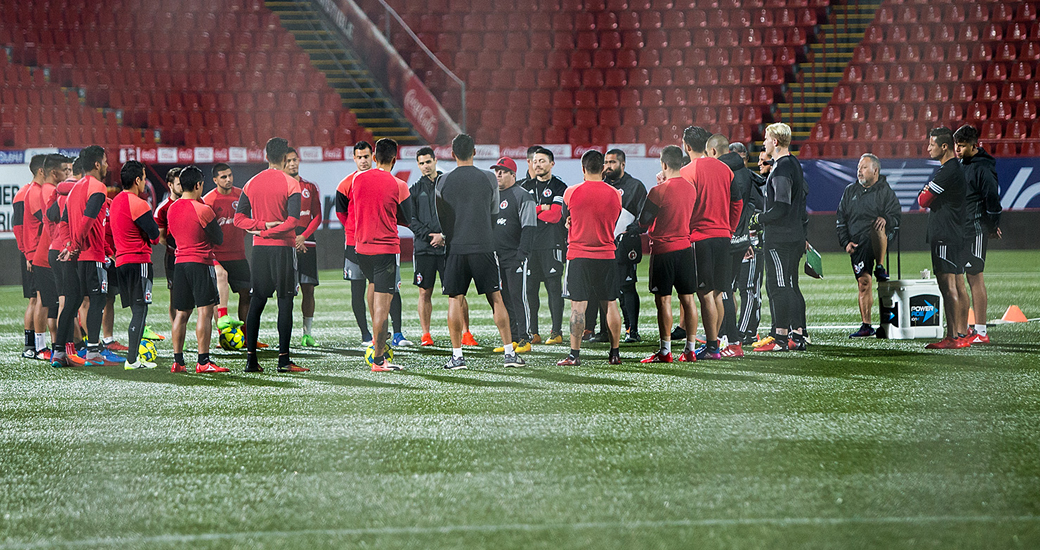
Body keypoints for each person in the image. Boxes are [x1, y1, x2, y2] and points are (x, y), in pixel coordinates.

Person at [436, 134, 525, 370]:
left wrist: (451, 236)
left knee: (455, 298)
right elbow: (494, 212)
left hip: (456, 247)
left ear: (452, 154)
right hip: (484, 245)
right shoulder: (488, 177)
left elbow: (442, 218)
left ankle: (457, 357)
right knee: (496, 297)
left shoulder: (443, 181)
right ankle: (509, 354)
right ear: (474, 152)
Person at [235, 137, 308, 372]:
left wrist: (262, 227)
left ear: (266, 156)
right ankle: (283, 360)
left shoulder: (251, 183)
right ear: (285, 158)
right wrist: (271, 229)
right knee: (285, 302)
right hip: (283, 249)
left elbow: (238, 219)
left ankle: (251, 360)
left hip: (259, 249)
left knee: (257, 301)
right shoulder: (291, 183)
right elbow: (293, 221)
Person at [336, 141, 409, 347]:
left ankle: (391, 334)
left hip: (364, 246)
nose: (363, 160)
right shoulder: (349, 183)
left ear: (373, 157)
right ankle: (370, 337)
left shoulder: (358, 182)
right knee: (369, 289)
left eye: (366, 156)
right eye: (359, 157)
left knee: (377, 287)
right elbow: (342, 213)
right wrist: (356, 228)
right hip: (369, 244)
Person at [57, 145, 123, 366]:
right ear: (96, 164)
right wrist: (76, 244)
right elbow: (88, 219)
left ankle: (58, 353)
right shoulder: (98, 187)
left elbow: (63, 222)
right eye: (104, 161)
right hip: (91, 256)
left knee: (71, 303)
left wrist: (69, 245)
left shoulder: (74, 189)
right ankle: (94, 353)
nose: (107, 165)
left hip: (74, 257)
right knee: (97, 301)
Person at [556, 150, 624, 366]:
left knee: (578, 307)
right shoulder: (615, 194)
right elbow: (614, 220)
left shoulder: (571, 192)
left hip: (579, 255)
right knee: (611, 304)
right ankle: (615, 353)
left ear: (583, 168)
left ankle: (574, 355)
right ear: (603, 168)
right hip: (606, 254)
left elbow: (567, 218)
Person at [350, 138, 412, 371]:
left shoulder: (357, 180)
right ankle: (378, 359)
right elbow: (408, 218)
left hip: (361, 250)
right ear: (394, 159)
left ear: (374, 157)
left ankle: (376, 342)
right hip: (385, 250)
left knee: (373, 289)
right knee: (382, 309)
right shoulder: (399, 184)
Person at [681, 127, 740, 360]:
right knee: (717, 293)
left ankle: (713, 346)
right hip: (723, 237)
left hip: (700, 238)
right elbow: (737, 202)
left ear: (687, 146)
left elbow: (684, 206)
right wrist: (730, 228)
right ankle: (715, 343)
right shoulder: (726, 169)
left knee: (704, 294)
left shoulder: (687, 171)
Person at [409, 146, 477, 347]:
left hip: (449, 247)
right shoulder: (414, 190)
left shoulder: (448, 185)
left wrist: (444, 236)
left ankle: (466, 333)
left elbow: (460, 213)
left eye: (428, 162)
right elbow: (411, 220)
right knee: (424, 292)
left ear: (435, 160)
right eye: (421, 163)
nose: (425, 166)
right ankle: (426, 334)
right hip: (424, 248)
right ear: (418, 165)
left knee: (457, 292)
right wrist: (430, 236)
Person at [638, 145, 700, 363]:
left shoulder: (658, 191)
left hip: (663, 250)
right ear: (681, 163)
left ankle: (665, 351)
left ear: (663, 164)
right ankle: (690, 350)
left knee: (663, 301)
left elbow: (643, 221)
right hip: (685, 249)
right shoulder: (691, 188)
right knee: (688, 300)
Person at [754, 123, 809, 352]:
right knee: (790, 284)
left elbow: (781, 206)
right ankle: (798, 334)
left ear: (775, 141)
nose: (764, 143)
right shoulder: (792, 163)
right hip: (794, 236)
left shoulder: (782, 168)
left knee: (779, 286)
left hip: (780, 239)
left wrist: (758, 218)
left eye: (766, 139)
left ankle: (780, 337)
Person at [583, 149, 647, 344]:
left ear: (623, 164)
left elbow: (645, 215)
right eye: (606, 162)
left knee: (627, 286)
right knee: (601, 288)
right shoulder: (600, 185)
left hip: (626, 244)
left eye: (612, 162)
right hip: (602, 244)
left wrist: (634, 228)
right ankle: (604, 331)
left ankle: (632, 330)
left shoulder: (635, 186)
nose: (608, 166)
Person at [168, 166, 227, 373]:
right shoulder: (203, 209)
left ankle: (178, 361)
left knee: (181, 314)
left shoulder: (172, 208)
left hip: (180, 264)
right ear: (198, 185)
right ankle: (203, 361)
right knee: (205, 311)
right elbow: (218, 238)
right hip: (201, 263)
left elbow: (171, 237)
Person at [836, 153, 901, 338]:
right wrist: (846, 242)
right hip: (858, 243)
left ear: (875, 170)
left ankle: (880, 265)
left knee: (878, 223)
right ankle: (866, 325)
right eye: (858, 168)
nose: (859, 171)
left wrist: (886, 219)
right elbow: (841, 219)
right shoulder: (850, 191)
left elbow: (896, 216)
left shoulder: (885, 191)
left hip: (880, 238)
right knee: (863, 283)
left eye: (864, 168)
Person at [918, 127, 971, 349]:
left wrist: (927, 194)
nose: (928, 148)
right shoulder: (955, 169)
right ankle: (961, 333)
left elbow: (923, 200)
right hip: (955, 233)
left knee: (947, 286)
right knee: (958, 283)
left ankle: (952, 337)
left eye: (932, 144)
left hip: (945, 235)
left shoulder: (947, 171)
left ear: (944, 146)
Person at [110, 160, 161, 369]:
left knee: (136, 311)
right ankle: (132, 360)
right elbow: (155, 236)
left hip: (121, 262)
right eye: (144, 178)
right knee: (140, 311)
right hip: (138, 261)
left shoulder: (115, 202)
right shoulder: (139, 204)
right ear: (137, 180)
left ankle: (133, 358)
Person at [953, 124, 1002, 344]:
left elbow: (992, 199)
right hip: (959, 229)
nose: (957, 149)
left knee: (974, 276)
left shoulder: (983, 168)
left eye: (962, 146)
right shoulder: (960, 164)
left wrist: (992, 226)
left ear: (974, 146)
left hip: (974, 229)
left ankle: (981, 331)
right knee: (958, 278)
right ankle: (963, 329)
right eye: (956, 145)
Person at [707, 133, 754, 357]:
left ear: (713, 151)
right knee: (728, 289)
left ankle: (733, 341)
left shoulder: (722, 171)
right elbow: (749, 204)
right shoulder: (744, 171)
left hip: (726, 237)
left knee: (722, 290)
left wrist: (729, 231)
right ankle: (723, 336)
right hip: (741, 239)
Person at [521, 147, 567, 345]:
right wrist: (541, 208)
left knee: (554, 289)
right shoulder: (524, 186)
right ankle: (534, 332)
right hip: (530, 247)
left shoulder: (559, 186)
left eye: (542, 161)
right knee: (530, 291)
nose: (538, 164)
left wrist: (533, 212)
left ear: (552, 164)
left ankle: (556, 332)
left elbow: (555, 215)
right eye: (535, 161)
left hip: (551, 244)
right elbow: (521, 214)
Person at [202, 162, 252, 344]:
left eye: (230, 175)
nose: (228, 179)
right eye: (223, 177)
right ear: (215, 180)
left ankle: (246, 336)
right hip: (217, 256)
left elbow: (247, 222)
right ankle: (223, 335)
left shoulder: (241, 196)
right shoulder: (209, 201)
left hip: (238, 255)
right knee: (218, 296)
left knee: (247, 294)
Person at [491, 156, 536, 354]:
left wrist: (522, 254)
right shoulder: (492, 196)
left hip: (515, 256)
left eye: (502, 171)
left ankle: (525, 337)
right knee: (503, 298)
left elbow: (529, 227)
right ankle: (512, 339)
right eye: (496, 171)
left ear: (513, 175)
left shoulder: (522, 195)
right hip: (496, 256)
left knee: (518, 296)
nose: (498, 174)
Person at [284, 148, 323, 347]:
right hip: (286, 242)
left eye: (294, 159)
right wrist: (292, 238)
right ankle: (285, 334)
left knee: (309, 289)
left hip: (307, 242)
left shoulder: (309, 186)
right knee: (287, 292)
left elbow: (318, 216)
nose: (292, 163)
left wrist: (303, 237)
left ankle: (307, 334)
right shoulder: (280, 187)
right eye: (288, 161)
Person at [27, 154, 65, 361]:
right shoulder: (47, 190)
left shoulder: (43, 189)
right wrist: (29, 252)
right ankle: (41, 347)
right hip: (44, 254)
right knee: (44, 301)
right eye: (65, 170)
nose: (68, 174)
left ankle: (46, 346)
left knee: (47, 302)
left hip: (43, 252)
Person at [14, 154, 46, 358]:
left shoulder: (37, 192)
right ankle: (30, 346)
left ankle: (34, 345)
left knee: (39, 299)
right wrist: (27, 253)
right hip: (31, 253)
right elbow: (18, 227)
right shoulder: (24, 194)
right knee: (35, 299)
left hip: (36, 252)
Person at [155, 167, 183, 330]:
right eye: (179, 184)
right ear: (170, 185)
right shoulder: (163, 208)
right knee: (175, 296)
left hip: (193, 257)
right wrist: (177, 246)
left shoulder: (195, 202)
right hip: (173, 257)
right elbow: (161, 238)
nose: (182, 187)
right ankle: (176, 330)